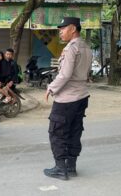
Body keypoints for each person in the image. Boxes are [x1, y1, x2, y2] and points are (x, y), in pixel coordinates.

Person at [44, 17, 93, 180]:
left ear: (73, 28)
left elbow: (64, 74)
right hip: (82, 96)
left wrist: (51, 88)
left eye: (63, 29)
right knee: (74, 131)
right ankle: (71, 166)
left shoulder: (71, 48)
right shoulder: (86, 47)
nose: (60, 32)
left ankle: (60, 168)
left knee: (57, 132)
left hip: (67, 99)